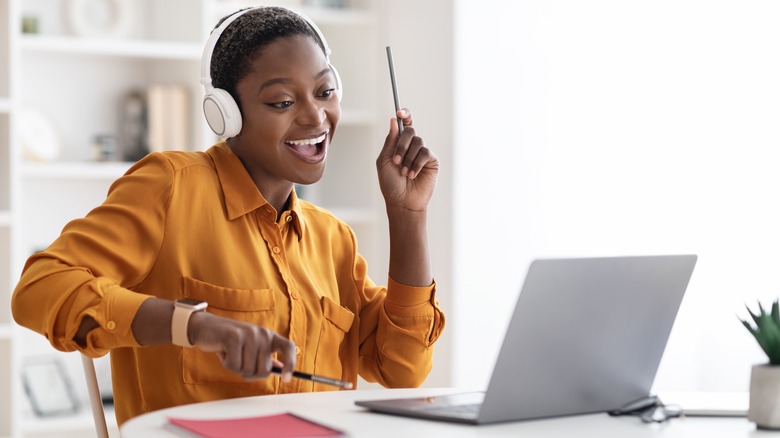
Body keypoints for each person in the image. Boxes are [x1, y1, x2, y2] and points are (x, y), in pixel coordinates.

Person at [11, 6, 445, 426]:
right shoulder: (171, 187)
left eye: (325, 92)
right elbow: (40, 288)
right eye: (281, 102)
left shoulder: (333, 239)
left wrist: (408, 214)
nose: (316, 116)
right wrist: (193, 326)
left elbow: (403, 371)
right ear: (226, 113)